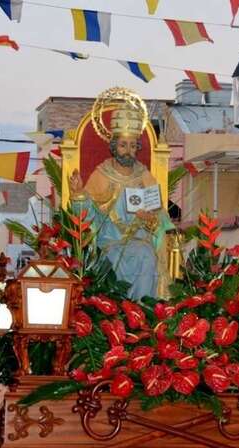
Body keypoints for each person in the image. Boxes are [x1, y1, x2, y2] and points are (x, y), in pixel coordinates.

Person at [69, 100, 172, 299]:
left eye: (133, 146)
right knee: (114, 259)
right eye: (124, 145)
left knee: (147, 257)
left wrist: (150, 220)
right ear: (115, 147)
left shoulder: (145, 176)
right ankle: (116, 313)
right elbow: (86, 215)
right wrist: (79, 193)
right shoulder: (101, 174)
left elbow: (159, 216)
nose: (128, 150)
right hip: (110, 242)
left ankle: (142, 312)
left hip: (141, 240)